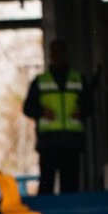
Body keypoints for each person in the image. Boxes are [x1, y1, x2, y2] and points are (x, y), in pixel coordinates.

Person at [22, 39, 87, 195]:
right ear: (50, 55)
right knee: (46, 183)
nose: (58, 55)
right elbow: (27, 108)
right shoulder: (40, 81)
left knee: (70, 184)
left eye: (61, 51)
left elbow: (89, 105)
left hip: (71, 140)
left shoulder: (78, 79)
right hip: (48, 141)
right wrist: (42, 112)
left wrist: (81, 112)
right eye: (55, 52)